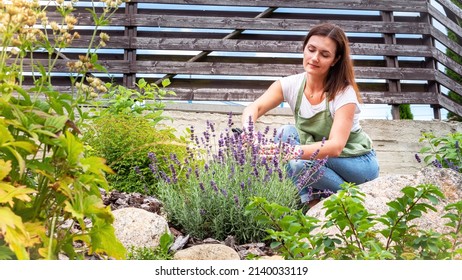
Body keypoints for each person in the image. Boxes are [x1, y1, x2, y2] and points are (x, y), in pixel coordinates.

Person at [241, 23, 380, 208]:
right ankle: (312, 207)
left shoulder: (344, 93)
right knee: (285, 132)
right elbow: (254, 108)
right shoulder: (290, 84)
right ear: (304, 48)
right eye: (311, 49)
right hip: (322, 159)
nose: (314, 58)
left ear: (335, 60)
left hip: (356, 163)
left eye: (324, 54)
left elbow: (336, 147)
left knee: (298, 164)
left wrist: (283, 151)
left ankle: (354, 200)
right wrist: (248, 133)